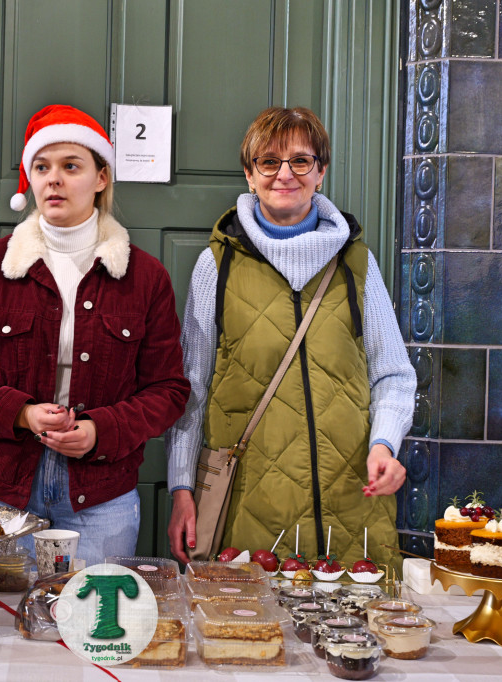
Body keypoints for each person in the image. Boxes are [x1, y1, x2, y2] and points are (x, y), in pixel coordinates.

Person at [0, 104, 190, 566]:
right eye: (42, 167)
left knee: (95, 629)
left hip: (102, 498)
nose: (54, 179)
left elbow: (168, 391)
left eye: (71, 166)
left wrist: (99, 431)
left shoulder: (144, 277)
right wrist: (22, 413)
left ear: (101, 177)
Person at [165, 107, 415, 570]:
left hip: (352, 507)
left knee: (357, 640)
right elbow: (191, 390)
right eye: (269, 161)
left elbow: (394, 375)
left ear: (320, 172)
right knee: (249, 637)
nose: (285, 174)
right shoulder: (216, 266)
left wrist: (385, 443)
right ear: (249, 174)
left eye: (301, 161)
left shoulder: (357, 265)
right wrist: (182, 488)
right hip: (248, 511)